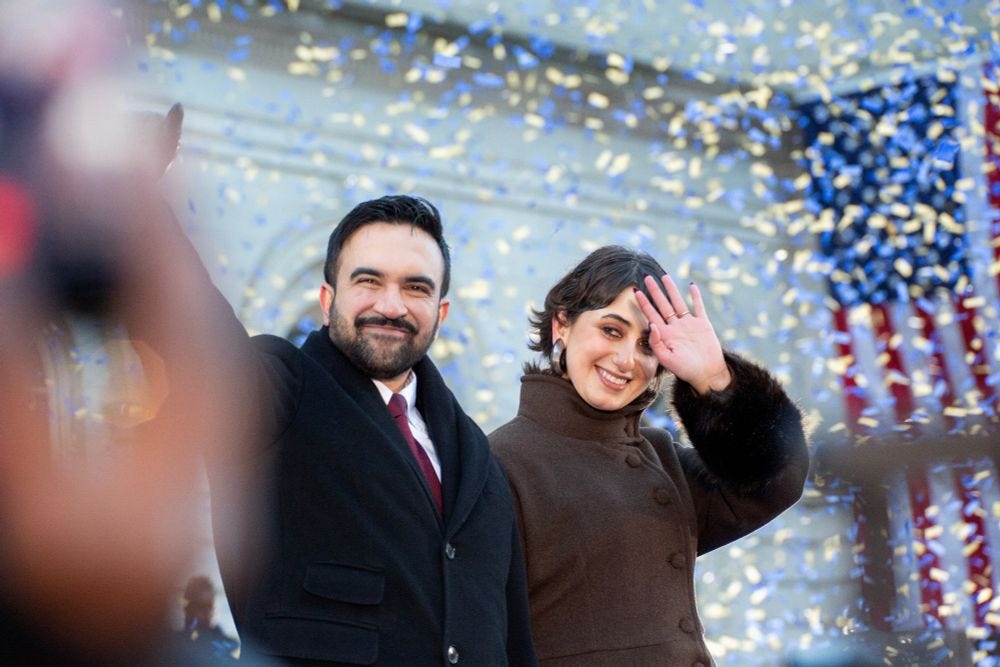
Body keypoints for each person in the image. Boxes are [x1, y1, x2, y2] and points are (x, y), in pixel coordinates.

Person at [198, 194, 537, 666]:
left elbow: (512, 636)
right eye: (369, 281)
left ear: (440, 314)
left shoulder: (477, 456)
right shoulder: (280, 392)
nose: (391, 306)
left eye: (416, 288)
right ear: (327, 300)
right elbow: (200, 341)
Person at [489, 245, 809, 666]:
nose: (626, 361)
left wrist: (714, 377)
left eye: (646, 345)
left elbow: (780, 480)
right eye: (611, 330)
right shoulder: (498, 462)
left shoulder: (661, 458)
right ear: (561, 324)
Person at [176, 576, 240, 661]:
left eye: (210, 607)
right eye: (202, 607)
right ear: (188, 608)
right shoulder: (175, 645)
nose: (208, 612)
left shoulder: (216, 633)